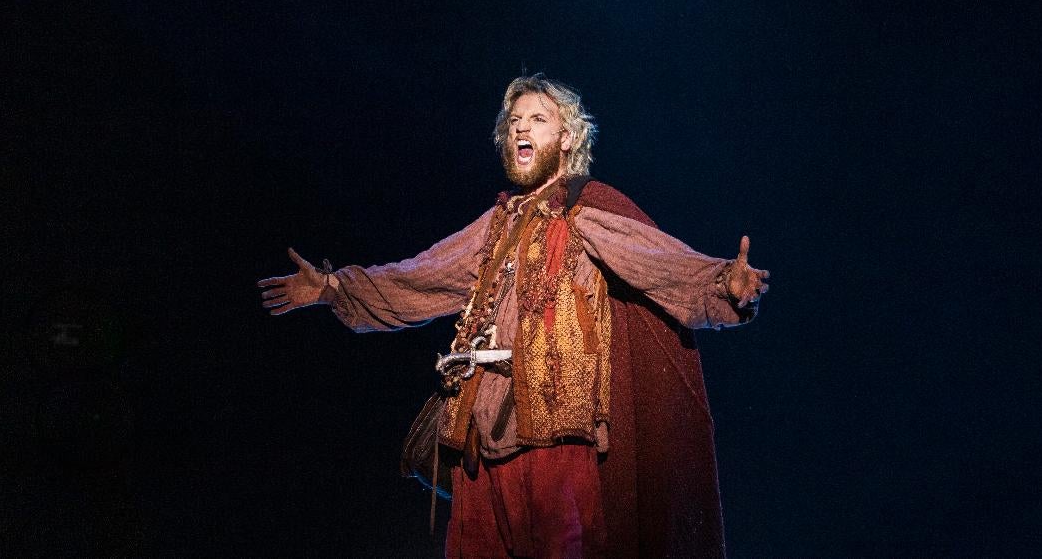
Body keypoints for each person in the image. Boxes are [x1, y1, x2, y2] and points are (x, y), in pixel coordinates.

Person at [259, 74, 769, 558]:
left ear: (567, 138)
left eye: (537, 119)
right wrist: (334, 287)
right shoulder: (495, 225)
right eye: (514, 120)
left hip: (555, 436)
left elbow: (657, 262)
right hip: (480, 437)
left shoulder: (586, 210)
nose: (521, 127)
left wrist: (722, 281)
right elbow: (421, 276)